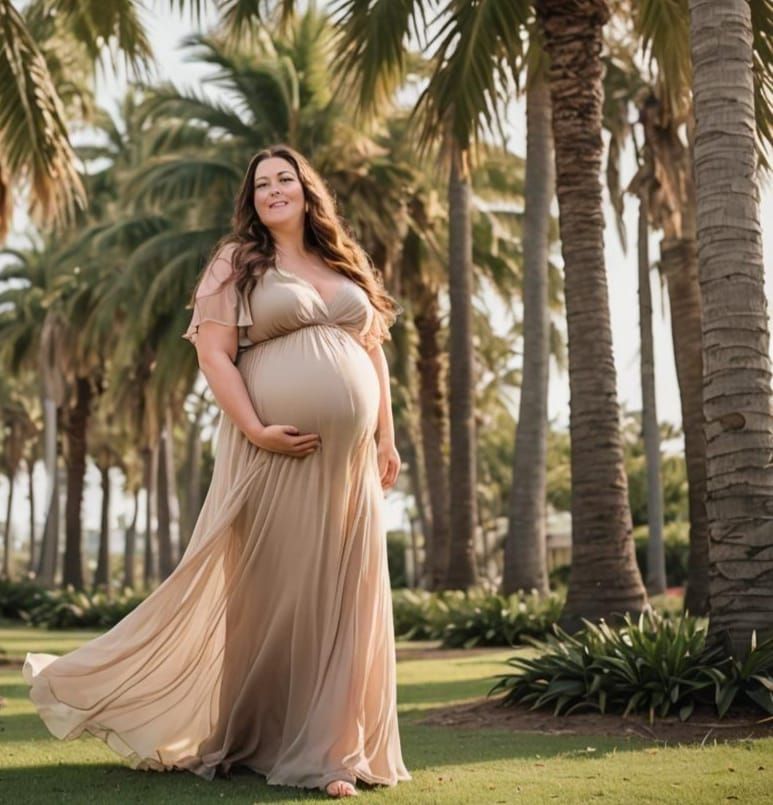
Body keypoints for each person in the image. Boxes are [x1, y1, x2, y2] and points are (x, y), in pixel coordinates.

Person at [23, 144, 413, 799]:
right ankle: (266, 736)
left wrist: (386, 436)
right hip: (275, 453)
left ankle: (336, 750)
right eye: (262, 184)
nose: (273, 190)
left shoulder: (343, 260)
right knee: (277, 594)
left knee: (348, 593)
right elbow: (214, 356)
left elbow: (370, 351)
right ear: (252, 199)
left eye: (285, 179)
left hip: (348, 464)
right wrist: (258, 428)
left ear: (307, 189)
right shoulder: (235, 261)